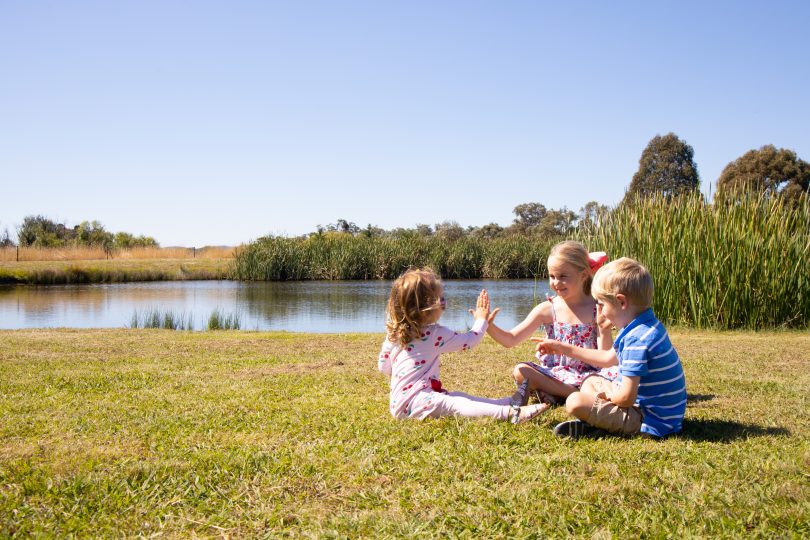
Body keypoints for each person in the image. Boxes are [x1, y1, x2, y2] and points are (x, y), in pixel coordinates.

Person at [534, 257, 687, 439]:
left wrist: (606, 397)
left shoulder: (637, 340)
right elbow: (607, 358)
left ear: (621, 302)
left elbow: (626, 398)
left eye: (602, 304)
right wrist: (561, 347)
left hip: (650, 420)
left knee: (575, 402)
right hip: (655, 410)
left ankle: (603, 426)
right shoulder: (644, 325)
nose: (600, 311)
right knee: (590, 381)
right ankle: (599, 424)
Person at [377, 267, 546, 423]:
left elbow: (384, 367)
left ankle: (509, 402)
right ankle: (511, 414)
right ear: (428, 306)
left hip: (401, 402)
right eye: (441, 298)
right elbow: (470, 341)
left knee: (458, 396)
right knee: (454, 403)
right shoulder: (435, 333)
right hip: (416, 401)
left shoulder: (394, 335)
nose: (444, 303)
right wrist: (481, 320)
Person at [486, 241, 614, 408]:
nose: (555, 282)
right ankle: (573, 394)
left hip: (591, 376)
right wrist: (488, 325)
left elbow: (605, 359)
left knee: (611, 377)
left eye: (563, 276)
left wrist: (604, 330)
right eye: (552, 276)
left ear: (583, 275)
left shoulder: (598, 307)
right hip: (557, 377)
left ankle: (558, 394)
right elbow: (510, 339)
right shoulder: (548, 309)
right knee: (520, 371)